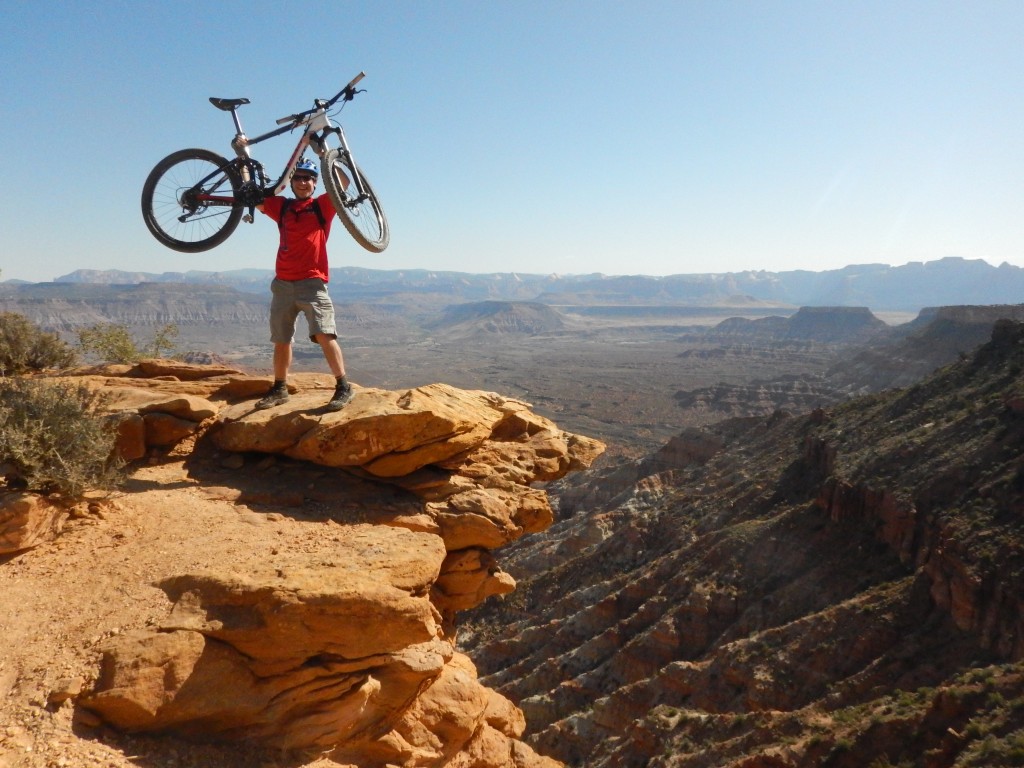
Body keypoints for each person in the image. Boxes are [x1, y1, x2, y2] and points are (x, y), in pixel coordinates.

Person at [253, 158, 353, 411]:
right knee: (281, 338)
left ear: (315, 182)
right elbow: (252, 197)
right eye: (297, 177)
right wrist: (243, 160)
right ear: (291, 182)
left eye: (308, 178)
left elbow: (344, 183)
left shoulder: (322, 206)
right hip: (283, 283)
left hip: (312, 283)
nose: (302, 182)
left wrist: (326, 156)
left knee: (324, 333)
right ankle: (280, 388)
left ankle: (343, 386)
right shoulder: (282, 207)